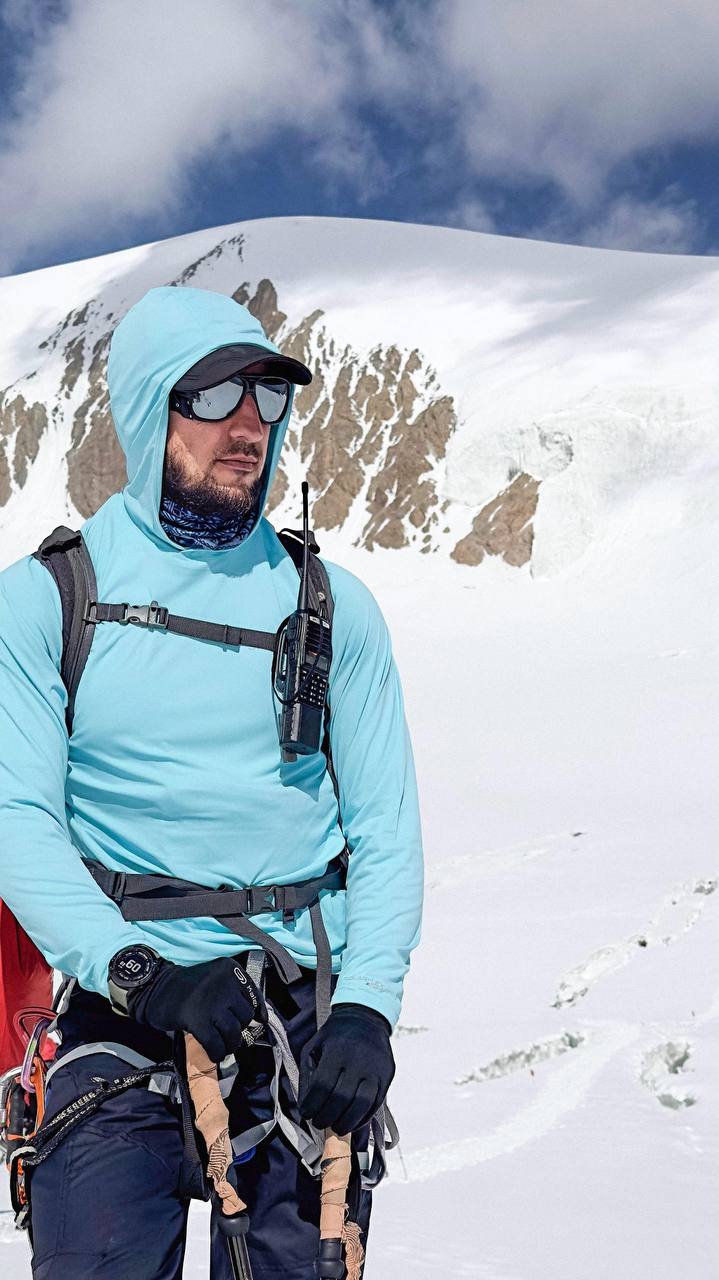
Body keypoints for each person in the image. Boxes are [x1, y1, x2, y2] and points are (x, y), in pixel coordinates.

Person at [0, 284, 423, 1279]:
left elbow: (385, 829)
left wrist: (366, 1006)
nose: (248, 425)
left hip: (302, 1015)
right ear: (149, 410)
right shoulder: (48, 600)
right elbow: (16, 817)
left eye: (268, 398)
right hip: (122, 1003)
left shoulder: (333, 606)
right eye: (215, 396)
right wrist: (140, 974)